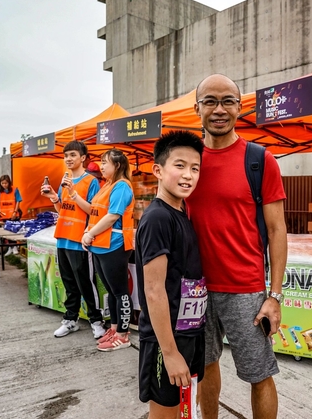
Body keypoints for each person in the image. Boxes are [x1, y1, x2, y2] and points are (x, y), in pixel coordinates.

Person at [187, 74, 288, 419]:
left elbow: (277, 230)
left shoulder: (259, 160)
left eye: (228, 101)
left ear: (240, 107)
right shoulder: (187, 162)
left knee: (259, 373)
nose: (219, 109)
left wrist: (274, 296)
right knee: (205, 365)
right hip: (195, 287)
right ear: (197, 108)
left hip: (245, 289)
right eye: (210, 101)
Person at [135, 130, 206, 419]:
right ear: (158, 170)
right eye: (179, 165)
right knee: (165, 413)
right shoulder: (158, 218)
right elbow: (153, 290)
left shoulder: (181, 212)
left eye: (195, 168)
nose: (188, 175)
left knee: (183, 410)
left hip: (190, 332)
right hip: (167, 340)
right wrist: (170, 352)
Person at [40, 140, 106, 340]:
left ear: (83, 158)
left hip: (80, 240)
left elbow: (93, 211)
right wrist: (54, 197)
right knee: (69, 283)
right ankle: (71, 319)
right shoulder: (65, 179)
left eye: (73, 155)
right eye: (66, 155)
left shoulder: (91, 181)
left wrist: (73, 193)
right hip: (63, 238)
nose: (68, 159)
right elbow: (63, 210)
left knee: (85, 283)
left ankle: (96, 321)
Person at [81, 149, 135, 352]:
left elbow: (113, 216)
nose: (101, 166)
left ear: (118, 165)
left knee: (120, 292)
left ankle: (122, 335)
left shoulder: (122, 186)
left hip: (114, 245)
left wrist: (90, 233)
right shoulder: (107, 185)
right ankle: (114, 328)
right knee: (111, 291)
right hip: (100, 245)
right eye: (101, 162)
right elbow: (96, 213)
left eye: (106, 162)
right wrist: (88, 232)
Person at [0, 174, 23, 255]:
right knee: (7, 231)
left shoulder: (15, 189)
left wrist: (15, 212)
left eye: (6, 183)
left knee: (13, 231)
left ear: (9, 183)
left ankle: (15, 247)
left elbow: (18, 201)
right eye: (2, 183)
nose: (4, 185)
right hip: (4, 215)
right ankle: (10, 247)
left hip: (14, 215)